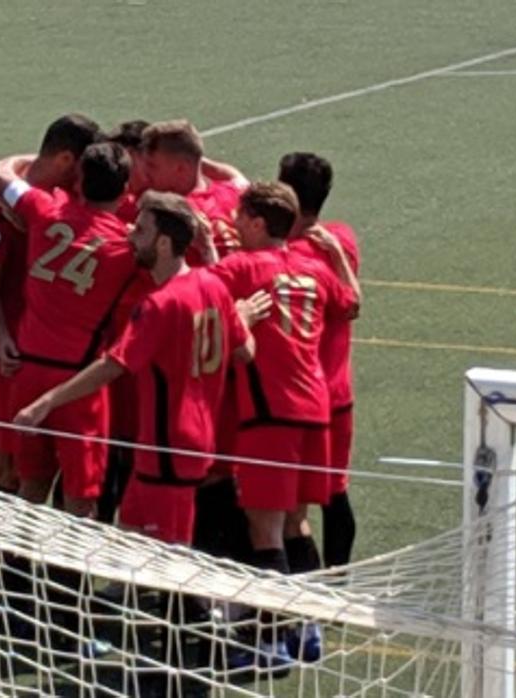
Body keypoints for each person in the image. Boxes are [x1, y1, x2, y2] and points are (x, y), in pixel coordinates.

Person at [15, 191, 258, 545]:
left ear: (162, 243)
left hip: (168, 444)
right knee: (131, 539)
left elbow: (113, 366)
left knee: (172, 558)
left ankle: (196, 604)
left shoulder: (161, 303)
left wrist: (46, 402)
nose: (130, 234)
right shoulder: (213, 285)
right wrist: (242, 318)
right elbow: (246, 351)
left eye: (141, 229)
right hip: (175, 443)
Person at [209, 181, 359, 666]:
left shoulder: (242, 267)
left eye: (238, 218)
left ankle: (271, 643)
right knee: (297, 522)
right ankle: (309, 630)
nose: (232, 225)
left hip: (269, 414)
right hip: (315, 411)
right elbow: (351, 304)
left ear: (257, 222)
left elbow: (198, 291)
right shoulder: (313, 267)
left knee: (264, 528)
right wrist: (336, 259)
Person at [0, 141, 138, 518]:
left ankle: (12, 572)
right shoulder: (126, 246)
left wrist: (42, 160)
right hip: (78, 383)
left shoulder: (43, 209)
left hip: (28, 371)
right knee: (80, 499)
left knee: (30, 484)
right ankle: (65, 578)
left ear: (80, 181)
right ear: (126, 188)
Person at [0, 114, 102, 498]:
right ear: (66, 160)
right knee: (9, 469)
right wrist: (4, 337)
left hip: (37, 351)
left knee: (43, 466)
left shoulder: (55, 200)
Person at [279, 152, 363, 568]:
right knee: (333, 492)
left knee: (292, 507)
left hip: (300, 395)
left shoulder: (287, 254)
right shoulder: (340, 240)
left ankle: (309, 591)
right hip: (338, 391)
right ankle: (338, 581)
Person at [139, 120, 248, 265]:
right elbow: (233, 174)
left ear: (182, 168)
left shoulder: (171, 214)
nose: (145, 172)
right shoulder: (236, 191)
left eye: (152, 165)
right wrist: (193, 154)